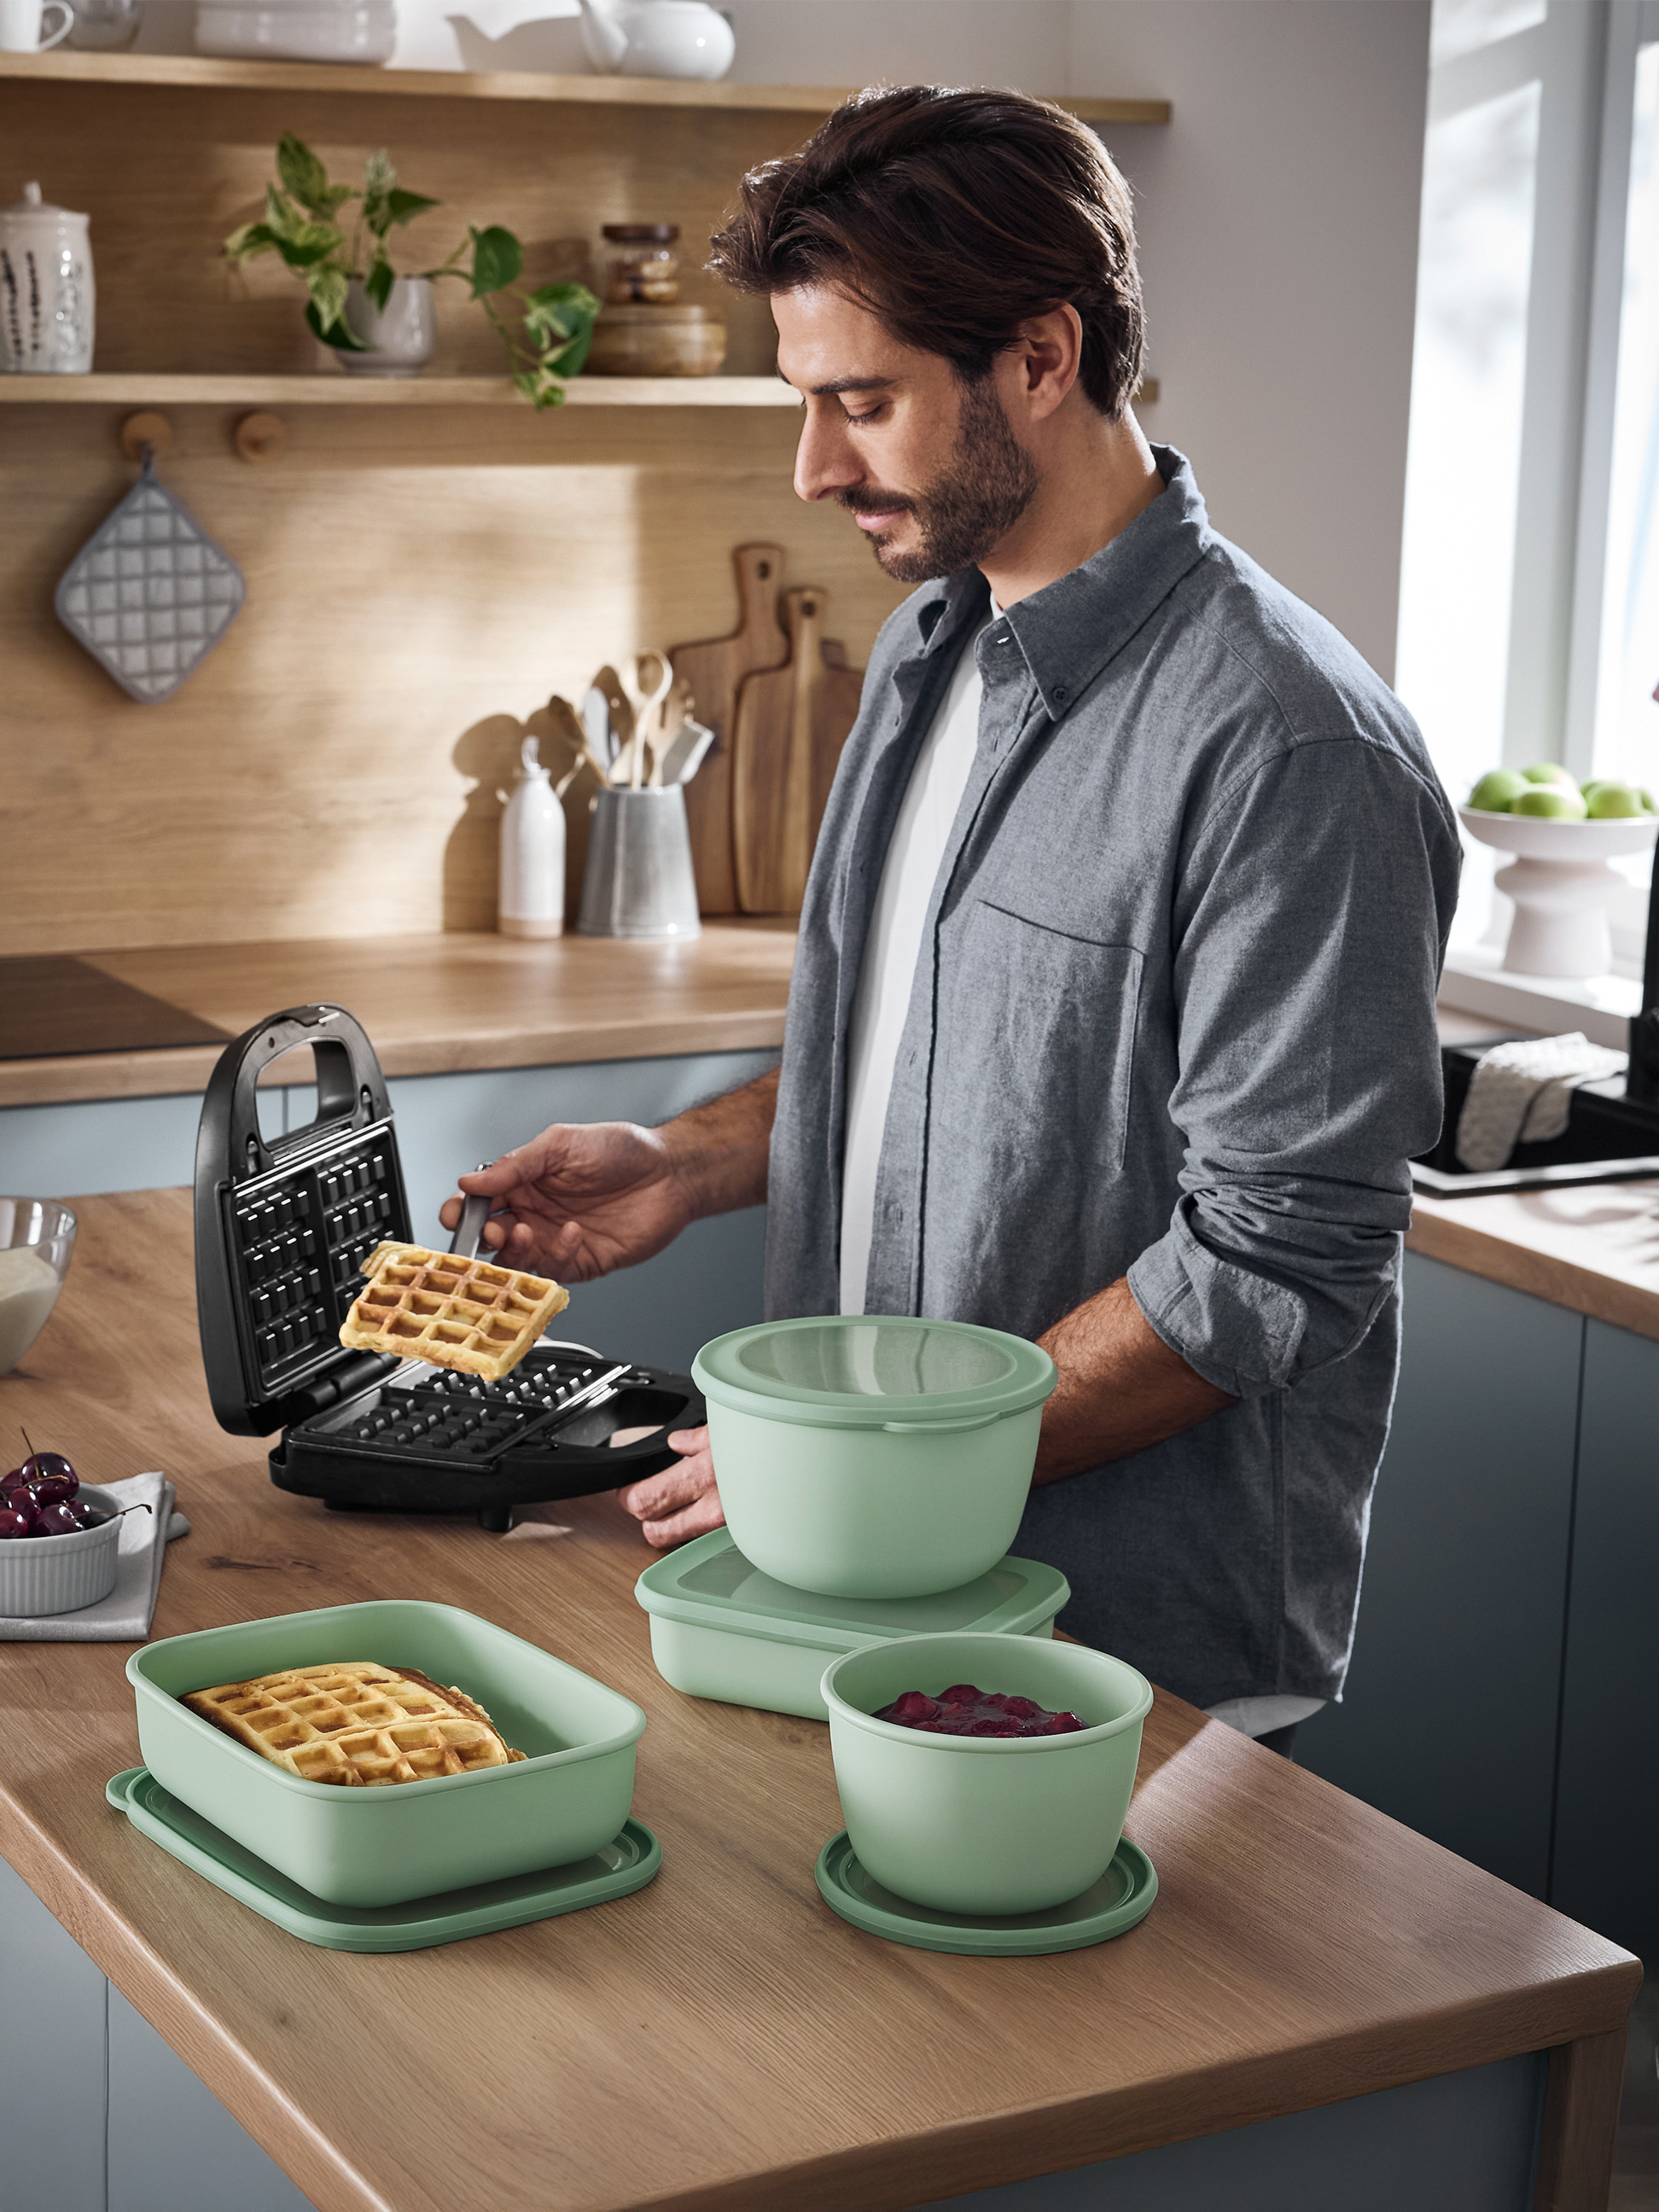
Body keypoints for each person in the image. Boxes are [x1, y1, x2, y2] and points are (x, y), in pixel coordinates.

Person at [442, 84, 1459, 1751]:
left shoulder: (1289, 749)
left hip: (1125, 1659)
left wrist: (863, 1471)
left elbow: (1275, 1267)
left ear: (1042, 360)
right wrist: (688, 1165)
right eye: (805, 398)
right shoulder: (934, 649)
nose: (812, 465)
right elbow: (906, 1057)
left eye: (864, 402)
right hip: (846, 1589)